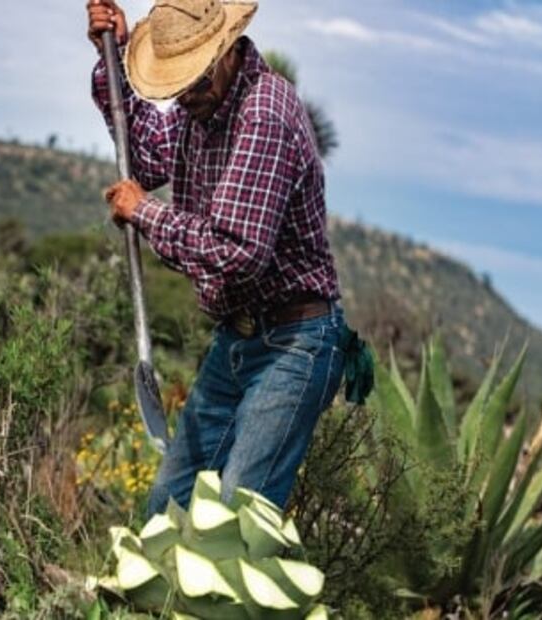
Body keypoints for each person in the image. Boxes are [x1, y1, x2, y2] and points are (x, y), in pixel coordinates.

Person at [87, 0, 358, 517]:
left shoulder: (264, 113)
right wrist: (115, 55)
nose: (186, 93)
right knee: (168, 506)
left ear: (229, 48)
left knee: (236, 515)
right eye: (176, 82)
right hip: (237, 339)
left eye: (194, 76)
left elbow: (235, 252)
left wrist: (145, 213)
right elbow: (143, 156)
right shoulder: (201, 108)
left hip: (293, 346)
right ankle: (156, 600)